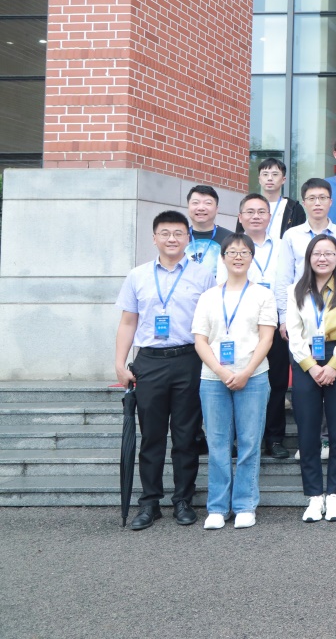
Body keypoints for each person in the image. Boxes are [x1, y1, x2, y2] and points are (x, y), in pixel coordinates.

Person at [115, 211, 217, 530]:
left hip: (189, 360)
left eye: (178, 233)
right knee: (152, 436)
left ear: (188, 238)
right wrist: (119, 363)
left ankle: (183, 500)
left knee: (186, 435)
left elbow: (212, 323)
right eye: (165, 233)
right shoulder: (137, 276)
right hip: (149, 362)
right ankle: (149, 503)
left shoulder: (204, 276)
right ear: (154, 238)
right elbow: (128, 322)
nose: (171, 239)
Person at [192, 233, 277, 529]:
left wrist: (246, 371)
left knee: (250, 443)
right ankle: (217, 507)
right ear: (223, 257)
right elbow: (200, 341)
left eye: (244, 252)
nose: (238, 257)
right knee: (217, 443)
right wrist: (221, 371)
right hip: (213, 378)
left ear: (252, 258)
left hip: (253, 376)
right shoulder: (208, 296)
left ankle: (245, 504)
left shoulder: (263, 295)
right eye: (232, 252)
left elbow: (266, 339)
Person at [286, 235, 336, 523]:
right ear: (309, 257)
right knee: (307, 431)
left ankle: (335, 494)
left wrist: (333, 365)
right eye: (317, 253)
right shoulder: (296, 289)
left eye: (329, 253)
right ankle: (315, 495)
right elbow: (293, 332)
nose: (323, 258)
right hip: (306, 360)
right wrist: (311, 367)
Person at [237, 194, 292, 460]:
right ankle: (246, 438)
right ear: (240, 217)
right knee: (244, 381)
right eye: (250, 212)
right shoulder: (233, 246)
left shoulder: (283, 245)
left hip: (275, 323)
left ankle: (274, 438)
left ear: (270, 217)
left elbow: (289, 282)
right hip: (242, 325)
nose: (256, 216)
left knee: (277, 383)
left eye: (261, 212)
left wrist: (285, 318)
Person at [274, 178, 336, 328]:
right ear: (304, 203)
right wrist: (284, 317)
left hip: (335, 308)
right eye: (312, 198)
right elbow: (284, 277)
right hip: (300, 308)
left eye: (322, 198)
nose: (317, 203)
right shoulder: (291, 235)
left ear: (330, 202)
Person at [250, 157, 305, 240]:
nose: (269, 178)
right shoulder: (249, 205)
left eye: (275, 174)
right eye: (265, 174)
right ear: (259, 180)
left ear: (283, 179)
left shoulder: (294, 209)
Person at [186, 185, 230, 279]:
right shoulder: (177, 237)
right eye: (195, 203)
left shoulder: (231, 238)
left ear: (216, 209)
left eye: (208, 203)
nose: (201, 208)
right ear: (188, 206)